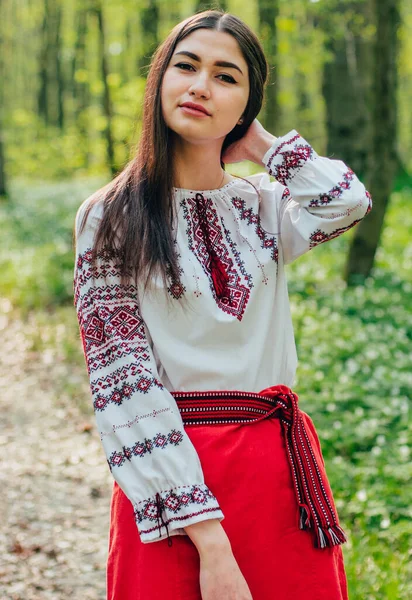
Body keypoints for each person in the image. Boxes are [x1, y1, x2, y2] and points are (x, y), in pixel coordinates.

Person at [73, 9, 372, 600]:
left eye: (226, 76)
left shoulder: (263, 206)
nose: (201, 86)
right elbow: (123, 383)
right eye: (185, 66)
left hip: (278, 470)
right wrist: (210, 543)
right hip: (172, 477)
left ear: (248, 102)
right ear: (159, 80)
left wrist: (259, 142)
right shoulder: (111, 216)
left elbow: (347, 202)